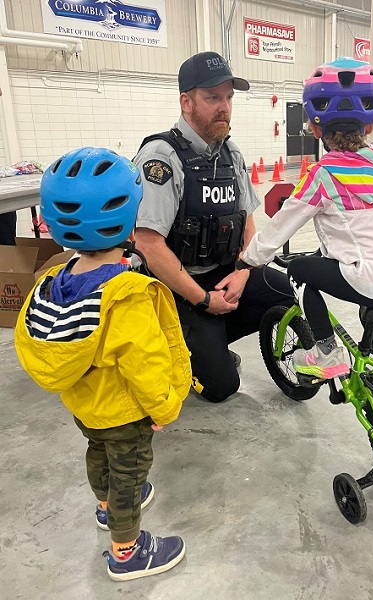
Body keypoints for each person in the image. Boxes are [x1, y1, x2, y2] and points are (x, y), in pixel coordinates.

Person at [14, 147, 192, 582]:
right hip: (126, 411)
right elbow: (145, 361)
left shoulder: (53, 280)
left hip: (85, 407)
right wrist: (164, 407)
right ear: (131, 222)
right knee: (129, 473)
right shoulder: (126, 295)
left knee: (98, 452)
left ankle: (105, 504)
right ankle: (127, 552)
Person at [238, 58, 373, 379]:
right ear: (370, 126)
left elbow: (279, 228)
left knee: (298, 271)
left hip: (372, 279)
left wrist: (248, 260)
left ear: (314, 127)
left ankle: (326, 352)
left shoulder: (323, 175)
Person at [133, 51, 293, 403]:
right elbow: (148, 245)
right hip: (175, 287)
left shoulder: (230, 153)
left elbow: (247, 219)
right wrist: (204, 300)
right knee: (221, 388)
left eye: (228, 97)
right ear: (186, 102)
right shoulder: (162, 157)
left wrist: (242, 272)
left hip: (222, 272)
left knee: (282, 291)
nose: (224, 106)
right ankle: (180, 346)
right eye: (212, 97)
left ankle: (207, 343)